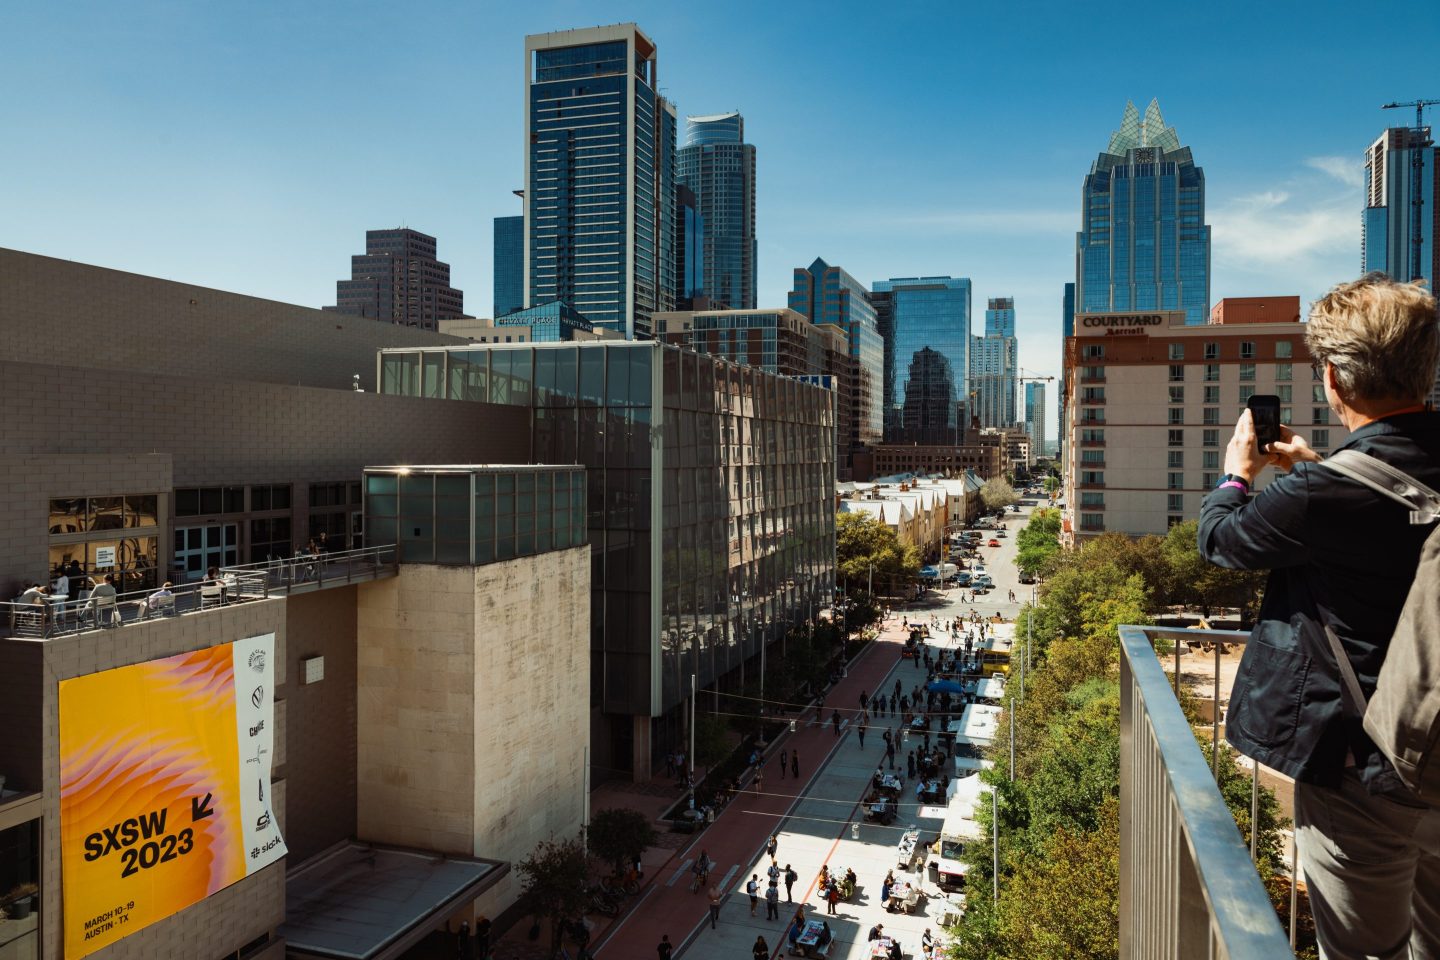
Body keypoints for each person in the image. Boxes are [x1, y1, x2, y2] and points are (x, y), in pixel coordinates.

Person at [1197, 274, 1440, 958]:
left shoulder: (1319, 492)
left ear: (1333, 379)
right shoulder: (1328, 483)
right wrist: (1320, 467)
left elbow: (1221, 540)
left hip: (1363, 763)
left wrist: (1238, 474)